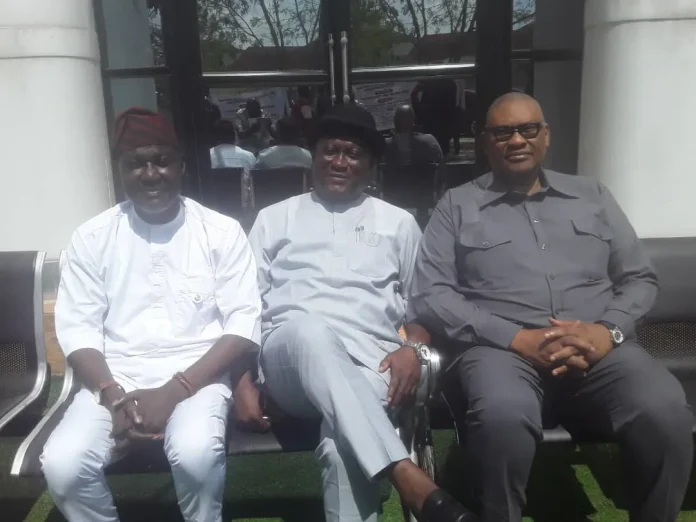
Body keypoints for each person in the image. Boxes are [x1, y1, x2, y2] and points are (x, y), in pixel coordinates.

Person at [408, 92, 693, 522]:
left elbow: (639, 277)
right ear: (486, 143)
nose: (516, 140)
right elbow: (431, 293)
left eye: (528, 129)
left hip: (600, 352)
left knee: (665, 410)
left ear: (546, 136)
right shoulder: (457, 205)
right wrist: (517, 338)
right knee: (502, 416)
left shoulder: (592, 195)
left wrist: (607, 331)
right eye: (503, 132)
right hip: (503, 353)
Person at [247, 103, 475, 522]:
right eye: (330, 150)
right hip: (288, 363)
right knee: (310, 331)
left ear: (370, 165)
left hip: (374, 365)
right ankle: (407, 476)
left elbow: (422, 306)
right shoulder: (273, 219)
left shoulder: (398, 223)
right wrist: (243, 379)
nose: (339, 162)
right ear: (313, 155)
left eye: (353, 154)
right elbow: (245, 307)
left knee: (342, 449)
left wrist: (412, 350)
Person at [41, 107, 265, 522]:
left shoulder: (220, 231)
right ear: (120, 171)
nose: (150, 174)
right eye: (135, 164)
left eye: (161, 161)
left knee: (196, 454)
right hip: (115, 378)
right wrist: (113, 397)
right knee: (63, 465)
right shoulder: (92, 237)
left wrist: (175, 390)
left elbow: (242, 324)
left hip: (199, 376)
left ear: (181, 165)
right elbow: (78, 329)